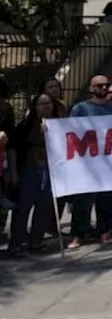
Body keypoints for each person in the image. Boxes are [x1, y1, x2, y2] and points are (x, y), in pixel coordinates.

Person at [66, 74, 112, 249]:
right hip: (86, 164)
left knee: (106, 200)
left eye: (106, 85)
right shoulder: (80, 108)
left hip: (108, 163)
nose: (104, 88)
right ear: (91, 88)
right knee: (82, 201)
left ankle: (104, 231)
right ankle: (78, 235)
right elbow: (69, 131)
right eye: (99, 86)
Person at [7, 93, 56, 256]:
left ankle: (36, 240)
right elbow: (12, 148)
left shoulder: (58, 124)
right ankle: (16, 243)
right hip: (28, 171)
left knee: (44, 207)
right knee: (23, 209)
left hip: (49, 172)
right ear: (34, 107)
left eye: (48, 103)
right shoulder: (24, 126)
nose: (46, 106)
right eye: (41, 104)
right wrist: (14, 173)